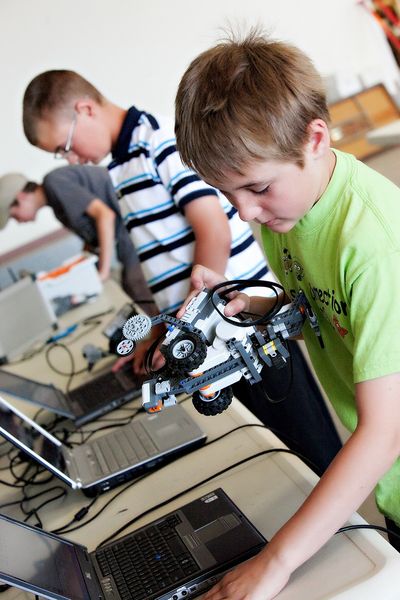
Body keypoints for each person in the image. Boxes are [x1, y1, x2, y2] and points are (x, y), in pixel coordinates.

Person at [21, 68, 342, 476]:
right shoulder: (120, 168)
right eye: (59, 156)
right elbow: (165, 262)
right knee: (273, 451)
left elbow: (213, 230)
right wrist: (159, 331)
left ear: (84, 110)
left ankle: (344, 522)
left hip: (242, 326)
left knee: (310, 448)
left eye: (64, 146)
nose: (70, 160)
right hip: (202, 337)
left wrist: (186, 322)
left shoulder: (160, 145)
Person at [173, 28, 400, 598]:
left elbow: (384, 432)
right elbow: (322, 306)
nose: (245, 214)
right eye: (229, 197)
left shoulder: (374, 242)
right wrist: (251, 304)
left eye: (256, 188)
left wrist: (275, 564)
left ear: (315, 138)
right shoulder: (293, 210)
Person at [0, 166, 154, 309]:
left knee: (135, 284)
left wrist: (103, 271)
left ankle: (163, 335)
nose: (19, 221)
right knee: (130, 286)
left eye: (14, 216)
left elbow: (105, 215)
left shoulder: (54, 182)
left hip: (135, 224)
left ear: (21, 197)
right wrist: (80, 267)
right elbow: (93, 240)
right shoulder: (56, 204)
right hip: (127, 233)